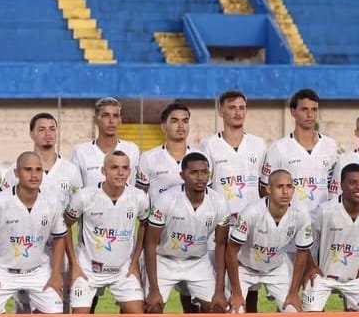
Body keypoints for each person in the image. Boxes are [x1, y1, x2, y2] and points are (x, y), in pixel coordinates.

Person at [0, 152, 67, 315]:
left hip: (38, 271)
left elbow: (60, 236)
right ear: (16, 173)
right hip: (3, 271)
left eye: (38, 170)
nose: (34, 175)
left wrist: (55, 273)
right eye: (28, 170)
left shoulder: (52, 203)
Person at [143, 152, 230, 314]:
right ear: (182, 175)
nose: (200, 177)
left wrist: (219, 290)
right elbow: (150, 243)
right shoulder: (166, 200)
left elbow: (221, 245)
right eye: (194, 173)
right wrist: (154, 289)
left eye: (204, 172)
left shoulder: (219, 202)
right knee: (153, 308)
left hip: (198, 262)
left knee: (218, 310)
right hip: (165, 260)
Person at [64, 151, 150, 314]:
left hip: (123, 270)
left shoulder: (139, 197)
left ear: (129, 171)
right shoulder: (84, 197)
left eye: (124, 168)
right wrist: (74, 265)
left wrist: (134, 263)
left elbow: (145, 225)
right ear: (104, 171)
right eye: (114, 167)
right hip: (87, 270)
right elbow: (65, 225)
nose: (120, 172)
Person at [226, 169, 311, 314]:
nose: (285, 192)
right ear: (269, 189)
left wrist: (293, 292)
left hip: (276, 269)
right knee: (235, 312)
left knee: (293, 312)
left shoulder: (301, 214)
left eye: (289, 187)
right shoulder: (251, 212)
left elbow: (303, 252)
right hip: (244, 268)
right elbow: (231, 250)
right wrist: (237, 293)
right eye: (280, 187)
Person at [302, 164, 359, 312]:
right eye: (353, 182)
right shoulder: (325, 211)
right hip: (322, 277)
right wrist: (311, 266)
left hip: (355, 279)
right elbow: (302, 235)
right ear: (341, 185)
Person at [260, 88, 338, 212]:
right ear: (293, 111)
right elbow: (265, 189)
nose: (310, 115)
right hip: (292, 219)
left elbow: (334, 186)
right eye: (304, 109)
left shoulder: (330, 145)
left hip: (322, 218)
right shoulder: (278, 148)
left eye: (314, 109)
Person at [198, 89, 267, 221]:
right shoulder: (208, 144)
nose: (238, 113)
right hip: (222, 221)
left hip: (254, 222)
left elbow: (264, 186)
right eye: (232, 107)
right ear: (220, 111)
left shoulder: (259, 144)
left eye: (242, 108)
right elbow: (205, 188)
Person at [2, 112, 82, 208]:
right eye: (42, 129)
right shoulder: (17, 168)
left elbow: (78, 206)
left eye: (52, 129)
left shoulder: (71, 170)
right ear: (31, 134)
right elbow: (3, 203)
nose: (48, 133)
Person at [70, 96, 141, 189]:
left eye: (115, 116)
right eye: (105, 115)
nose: (111, 121)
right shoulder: (80, 151)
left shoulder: (132, 150)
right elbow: (75, 189)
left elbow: (135, 188)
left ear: (120, 120)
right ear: (95, 119)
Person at [136, 102, 194, 197]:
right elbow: (139, 197)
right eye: (174, 121)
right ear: (163, 127)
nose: (181, 125)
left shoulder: (200, 157)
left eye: (185, 121)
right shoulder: (148, 158)